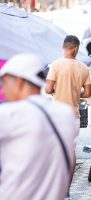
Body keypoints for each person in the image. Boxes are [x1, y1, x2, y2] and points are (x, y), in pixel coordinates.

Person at [0, 54, 77, 199]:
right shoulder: (65, 113)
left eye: (4, 83)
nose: (3, 91)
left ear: (18, 81)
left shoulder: (10, 114)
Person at [45, 35, 91, 197]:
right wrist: (75, 91)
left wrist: (59, 89)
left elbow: (48, 89)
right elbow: (88, 93)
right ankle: (66, 190)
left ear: (64, 48)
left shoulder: (56, 64)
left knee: (53, 150)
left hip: (56, 114)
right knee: (70, 152)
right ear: (76, 49)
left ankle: (52, 186)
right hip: (73, 115)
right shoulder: (84, 68)